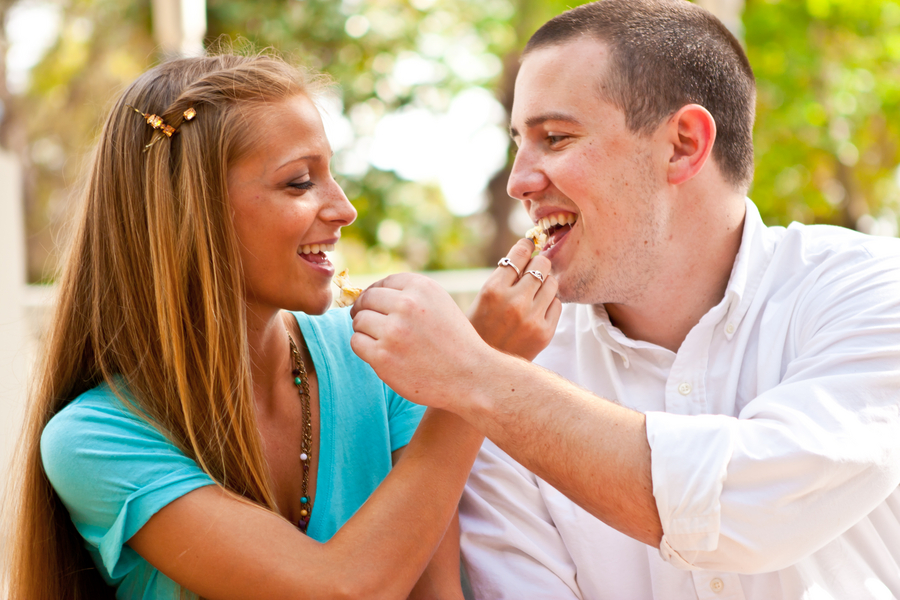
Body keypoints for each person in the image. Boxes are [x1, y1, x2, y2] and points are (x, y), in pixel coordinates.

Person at [349, 0, 900, 598]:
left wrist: (475, 372)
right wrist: (484, 376)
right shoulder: (510, 374)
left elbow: (754, 506)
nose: (519, 180)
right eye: (518, 143)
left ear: (683, 145)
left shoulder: (871, 291)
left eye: (555, 138)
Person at [2, 52, 482, 600]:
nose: (344, 209)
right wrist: (476, 381)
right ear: (194, 213)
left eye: (331, 174)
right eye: (300, 182)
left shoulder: (377, 359)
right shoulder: (94, 442)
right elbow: (340, 591)